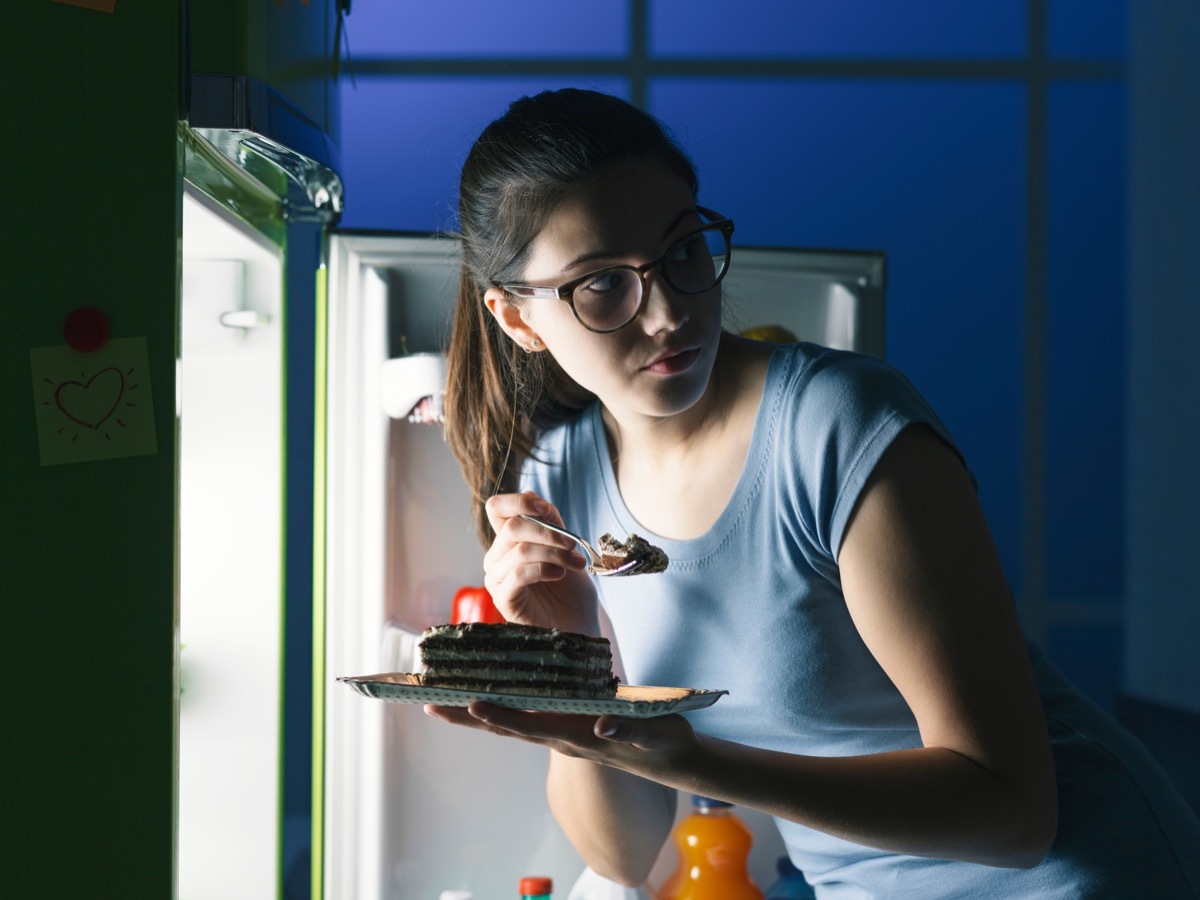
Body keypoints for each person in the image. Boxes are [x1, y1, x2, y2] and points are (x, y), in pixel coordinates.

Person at [430, 87, 1200, 897]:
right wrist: (577, 667)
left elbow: (1013, 816)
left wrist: (702, 762)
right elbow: (624, 855)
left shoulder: (834, 426)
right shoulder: (559, 485)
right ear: (515, 318)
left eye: (684, 251)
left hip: (1079, 876)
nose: (665, 313)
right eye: (601, 285)